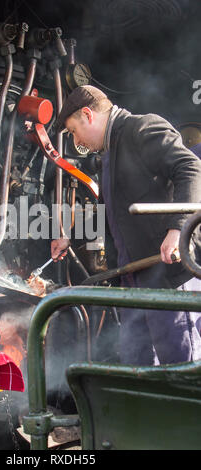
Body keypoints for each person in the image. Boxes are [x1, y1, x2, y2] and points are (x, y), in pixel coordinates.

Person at [51, 84, 201, 366]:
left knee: (178, 363)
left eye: (73, 130)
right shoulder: (109, 154)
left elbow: (191, 168)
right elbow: (109, 212)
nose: (77, 140)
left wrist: (177, 229)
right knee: (136, 361)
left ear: (88, 114)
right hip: (133, 280)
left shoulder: (141, 128)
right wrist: (70, 238)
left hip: (165, 275)